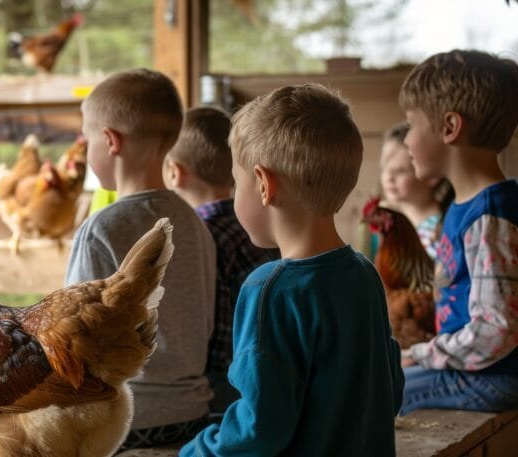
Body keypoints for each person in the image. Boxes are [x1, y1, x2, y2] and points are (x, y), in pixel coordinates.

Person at [180, 84, 403, 456]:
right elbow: (390, 390)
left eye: (237, 183)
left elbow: (259, 430)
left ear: (264, 185)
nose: (235, 194)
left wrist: (196, 451)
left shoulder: (270, 290)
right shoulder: (364, 274)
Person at [65, 68, 216, 449]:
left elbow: (72, 339)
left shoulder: (101, 228)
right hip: (192, 415)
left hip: (123, 420)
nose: (86, 151)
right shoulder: (195, 223)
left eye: (87, 139)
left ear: (111, 141)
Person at [397, 50, 518, 415]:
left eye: (410, 124)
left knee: (373, 394)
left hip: (490, 377)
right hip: (476, 367)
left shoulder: (488, 216)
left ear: (450, 127)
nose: (405, 140)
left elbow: (497, 329)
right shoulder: (468, 206)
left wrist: (420, 354)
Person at [163, 106, 280, 414]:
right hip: (268, 371)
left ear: (174, 172)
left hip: (220, 381)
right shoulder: (259, 226)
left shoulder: (197, 235)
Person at [380, 121, 453, 259]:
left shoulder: (438, 231)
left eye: (400, 171)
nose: (388, 177)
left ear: (432, 177)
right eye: (384, 169)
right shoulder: (389, 222)